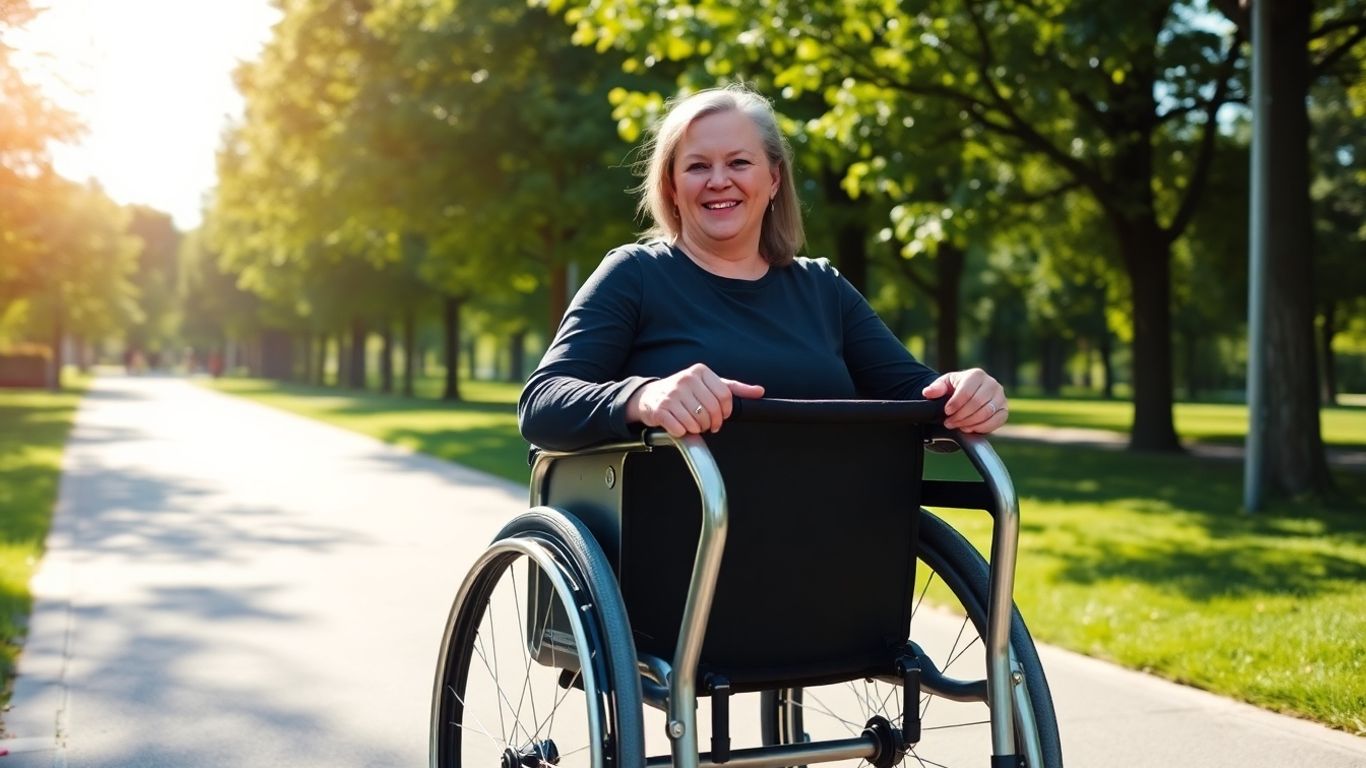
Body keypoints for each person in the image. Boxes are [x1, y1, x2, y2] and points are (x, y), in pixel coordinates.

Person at [518, 84, 1008, 451]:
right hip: (680, 545)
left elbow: (917, 398)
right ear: (670, 186)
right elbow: (542, 403)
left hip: (829, 537)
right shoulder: (635, 275)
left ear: (773, 179)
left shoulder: (822, 289)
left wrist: (967, 394)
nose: (718, 181)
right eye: (696, 167)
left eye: (738, 163)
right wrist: (644, 397)